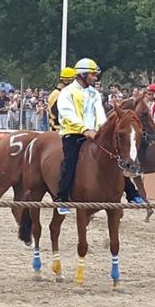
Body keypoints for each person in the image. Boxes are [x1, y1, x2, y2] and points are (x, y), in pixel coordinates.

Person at [55, 58, 106, 215]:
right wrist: (84, 130)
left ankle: (130, 192)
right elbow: (67, 114)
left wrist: (102, 130)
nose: (95, 78)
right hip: (73, 134)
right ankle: (62, 198)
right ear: (82, 75)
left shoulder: (95, 93)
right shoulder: (66, 93)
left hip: (94, 134)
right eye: (93, 74)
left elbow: (100, 114)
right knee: (70, 162)